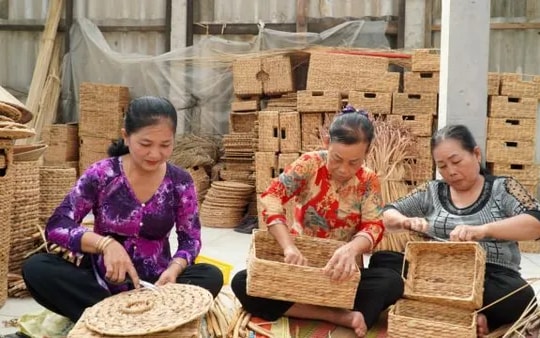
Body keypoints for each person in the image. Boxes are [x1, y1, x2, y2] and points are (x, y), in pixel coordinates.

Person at [21, 96, 224, 324]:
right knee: (37, 269)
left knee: (210, 275)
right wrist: (105, 244)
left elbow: (191, 240)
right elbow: (58, 224)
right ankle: (124, 316)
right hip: (100, 285)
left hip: (157, 286)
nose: (155, 154)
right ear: (126, 136)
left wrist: (175, 269)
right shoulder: (102, 174)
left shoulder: (180, 182)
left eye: (165, 145)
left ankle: (127, 318)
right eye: (145, 144)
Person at [231, 106, 404, 337]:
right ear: (326, 142)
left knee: (392, 282)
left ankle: (313, 307)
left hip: (341, 274)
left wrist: (350, 250)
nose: (344, 169)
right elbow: (272, 196)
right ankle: (338, 315)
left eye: (354, 162)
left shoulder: (368, 180)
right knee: (243, 282)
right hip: (301, 268)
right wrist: (288, 246)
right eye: (337, 159)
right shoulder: (309, 164)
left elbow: (373, 225)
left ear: (367, 152)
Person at [382, 124, 540, 338]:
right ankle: (469, 315)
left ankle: (443, 311)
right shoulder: (432, 191)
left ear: (476, 154)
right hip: (435, 273)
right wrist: (405, 221)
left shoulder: (502, 188)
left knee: (520, 296)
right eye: (443, 166)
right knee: (383, 263)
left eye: (456, 161)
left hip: (490, 276)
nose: (451, 171)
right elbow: (387, 214)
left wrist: (483, 230)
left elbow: (535, 222)